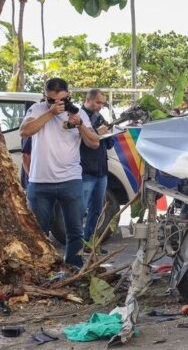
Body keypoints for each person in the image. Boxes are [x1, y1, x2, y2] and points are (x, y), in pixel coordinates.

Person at [20, 78, 100, 268]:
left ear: (69, 95)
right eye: (51, 100)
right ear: (44, 96)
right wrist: (50, 112)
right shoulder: (38, 110)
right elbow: (25, 131)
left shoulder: (78, 113)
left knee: (74, 231)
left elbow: (94, 142)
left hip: (70, 180)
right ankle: (41, 267)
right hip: (40, 181)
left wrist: (80, 124)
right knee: (38, 231)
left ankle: (74, 267)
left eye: (62, 100)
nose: (57, 104)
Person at [80, 90, 115, 248]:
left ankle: (90, 243)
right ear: (88, 100)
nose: (100, 106)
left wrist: (109, 132)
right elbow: (80, 140)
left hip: (101, 169)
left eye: (102, 103)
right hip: (86, 169)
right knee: (80, 209)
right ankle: (77, 244)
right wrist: (96, 132)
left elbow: (108, 144)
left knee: (98, 209)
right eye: (97, 102)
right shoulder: (79, 116)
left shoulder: (100, 117)